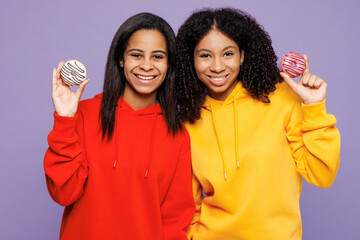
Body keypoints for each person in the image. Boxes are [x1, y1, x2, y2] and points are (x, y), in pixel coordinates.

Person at [175, 8, 340, 240]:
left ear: (242, 55)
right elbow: (188, 203)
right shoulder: (188, 120)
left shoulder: (281, 99)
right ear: (191, 59)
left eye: (228, 54)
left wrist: (314, 108)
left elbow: (322, 174)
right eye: (205, 56)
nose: (217, 66)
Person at [44, 12, 194, 240]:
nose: (146, 65)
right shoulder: (85, 113)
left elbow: (175, 220)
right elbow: (63, 193)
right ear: (121, 59)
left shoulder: (178, 134)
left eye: (157, 56)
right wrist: (65, 119)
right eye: (136, 55)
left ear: (169, 63)